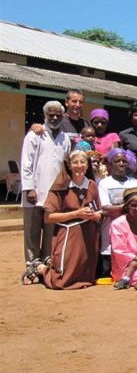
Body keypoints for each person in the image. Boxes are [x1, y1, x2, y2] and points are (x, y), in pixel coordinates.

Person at [21, 150, 101, 289]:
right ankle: (41, 268)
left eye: (83, 162)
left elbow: (100, 211)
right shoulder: (61, 186)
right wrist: (77, 214)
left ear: (87, 166)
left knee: (87, 278)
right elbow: (48, 217)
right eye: (75, 162)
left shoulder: (92, 185)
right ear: (68, 165)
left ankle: (49, 264)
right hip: (68, 234)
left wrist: (95, 215)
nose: (79, 166)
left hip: (88, 236)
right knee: (60, 281)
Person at [20, 100, 71, 264]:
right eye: (51, 114)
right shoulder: (35, 135)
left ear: (63, 116)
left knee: (51, 231)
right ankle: (32, 264)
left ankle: (46, 261)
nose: (55, 117)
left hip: (55, 194)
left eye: (58, 114)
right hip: (35, 192)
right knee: (32, 231)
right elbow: (26, 163)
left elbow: (66, 165)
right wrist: (29, 188)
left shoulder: (65, 138)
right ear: (45, 115)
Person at [98, 148, 137, 277]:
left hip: (131, 236)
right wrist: (129, 207)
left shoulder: (134, 182)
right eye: (117, 161)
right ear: (110, 164)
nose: (121, 164)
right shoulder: (104, 183)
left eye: (124, 161)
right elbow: (105, 209)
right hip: (108, 236)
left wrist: (118, 208)